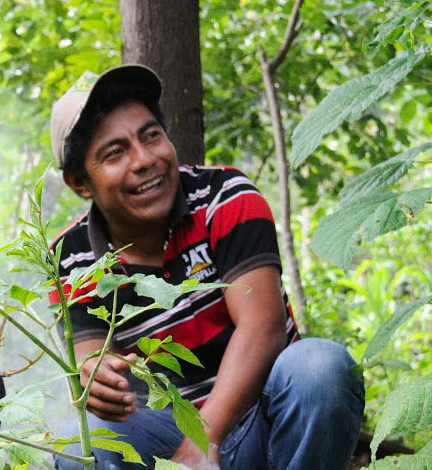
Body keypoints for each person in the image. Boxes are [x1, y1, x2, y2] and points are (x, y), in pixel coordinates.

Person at [47, 65, 365, 470]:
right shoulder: (68, 257)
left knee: (319, 368)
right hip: (163, 438)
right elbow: (91, 357)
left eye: (151, 136)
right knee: (79, 443)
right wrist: (96, 375)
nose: (144, 160)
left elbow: (263, 328)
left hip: (263, 425)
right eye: (115, 153)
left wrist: (204, 441)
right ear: (79, 182)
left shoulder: (225, 198)